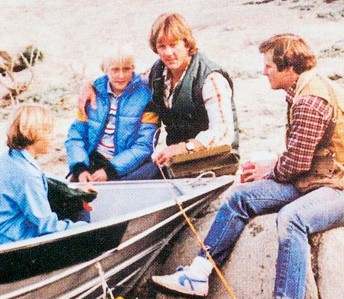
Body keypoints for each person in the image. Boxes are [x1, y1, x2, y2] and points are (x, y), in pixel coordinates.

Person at [152, 33, 344, 299]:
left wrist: (269, 169)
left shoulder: (310, 100)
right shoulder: (301, 88)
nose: (264, 71)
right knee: (241, 196)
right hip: (318, 177)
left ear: (288, 67)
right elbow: (301, 158)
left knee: (292, 218)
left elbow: (295, 165)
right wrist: (271, 166)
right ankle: (199, 273)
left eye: (269, 66)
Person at [84, 13, 238, 180]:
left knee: (134, 182)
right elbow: (126, 81)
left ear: (187, 44)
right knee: (126, 177)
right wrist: (91, 86)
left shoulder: (210, 78)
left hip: (216, 161)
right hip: (177, 159)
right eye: (162, 46)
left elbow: (223, 132)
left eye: (173, 45)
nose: (168, 53)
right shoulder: (158, 72)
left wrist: (185, 147)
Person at [65, 48, 160, 183]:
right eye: (115, 70)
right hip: (93, 161)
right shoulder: (91, 94)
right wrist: (80, 168)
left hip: (128, 165)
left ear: (133, 69)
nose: (121, 75)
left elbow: (144, 145)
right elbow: (76, 136)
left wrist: (110, 170)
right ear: (105, 70)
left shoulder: (146, 96)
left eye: (126, 69)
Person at [0, 106, 77, 244]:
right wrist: (86, 227)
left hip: (7, 231)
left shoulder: (9, 157)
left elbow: (42, 176)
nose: (53, 137)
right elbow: (47, 226)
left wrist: (72, 188)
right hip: (14, 239)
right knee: (80, 216)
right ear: (32, 133)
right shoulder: (27, 174)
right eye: (48, 132)